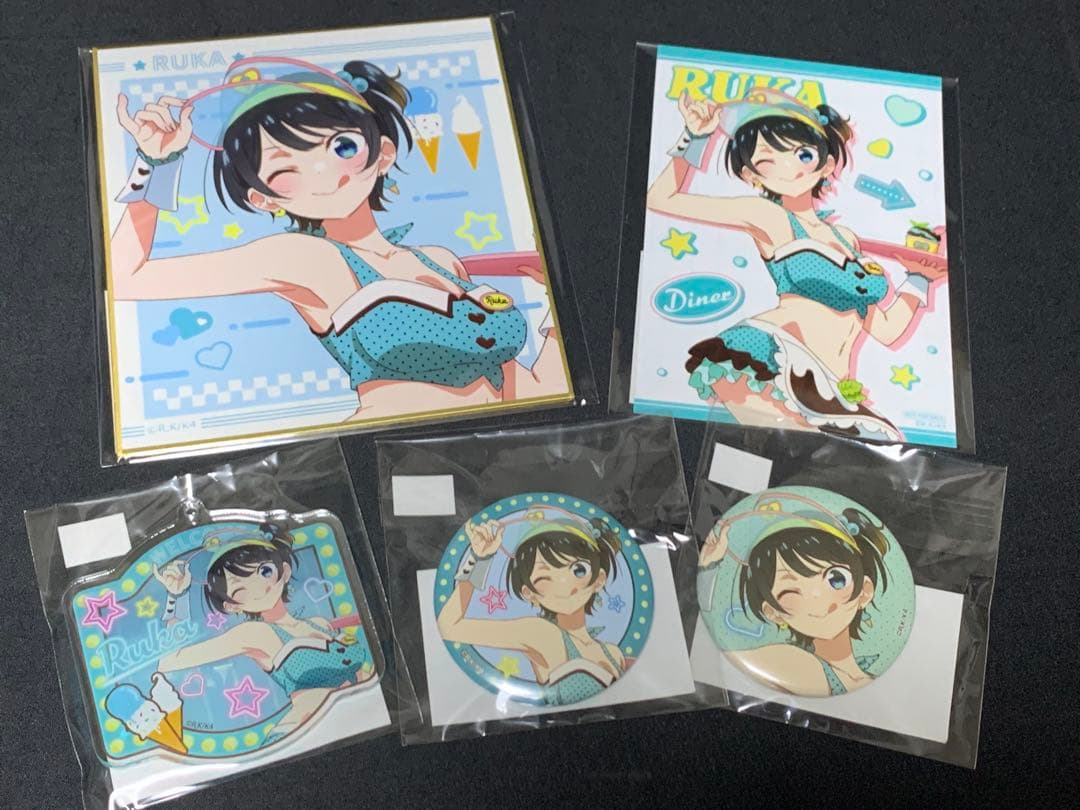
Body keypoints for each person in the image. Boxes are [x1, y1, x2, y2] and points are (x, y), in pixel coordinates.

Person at [108, 56, 563, 422]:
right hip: (394, 459)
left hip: (503, 448)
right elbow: (126, 278)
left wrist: (558, 306)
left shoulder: (441, 259)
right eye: (286, 169)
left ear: (383, 153)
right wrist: (155, 163)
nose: (325, 173)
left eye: (342, 147)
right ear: (263, 199)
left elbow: (529, 386)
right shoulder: (303, 257)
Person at [647, 88, 945, 440]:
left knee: (850, 458)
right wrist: (695, 137)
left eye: (802, 154)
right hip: (771, 356)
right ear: (751, 175)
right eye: (768, 159)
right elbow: (662, 199)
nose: (789, 168)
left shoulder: (846, 239)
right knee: (769, 458)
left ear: (826, 165)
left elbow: (887, 329)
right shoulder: (769, 216)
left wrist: (920, 278)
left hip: (832, 386)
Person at [154, 526, 374, 738]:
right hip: (305, 734)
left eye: (264, 572)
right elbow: (169, 661)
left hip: (362, 716)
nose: (259, 588)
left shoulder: (319, 623)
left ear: (284, 572)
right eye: (240, 589)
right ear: (232, 606)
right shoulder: (255, 633)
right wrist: (177, 598)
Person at [698, 503, 890, 696]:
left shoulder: (867, 672)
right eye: (791, 592)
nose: (817, 595)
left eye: (836, 579)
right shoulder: (800, 661)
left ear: (865, 591)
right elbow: (725, 647)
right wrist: (707, 568)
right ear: (773, 613)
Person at [437, 516, 626, 705]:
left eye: (578, 570)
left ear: (599, 579)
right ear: (530, 594)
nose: (564, 585)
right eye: (544, 578)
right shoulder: (542, 633)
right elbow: (449, 627)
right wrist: (478, 559)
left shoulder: (613, 653)